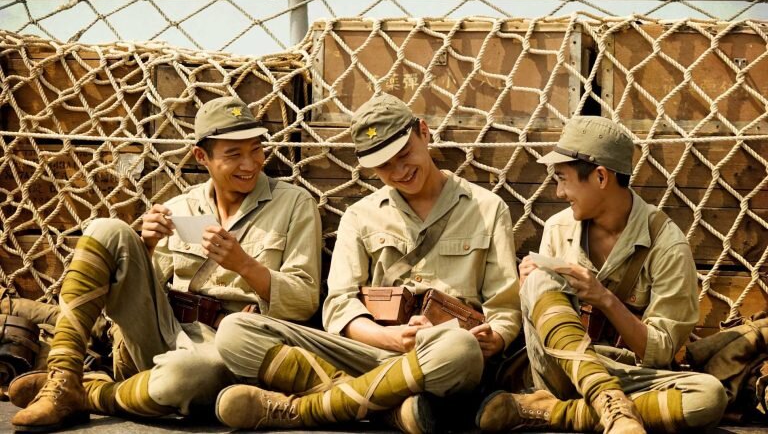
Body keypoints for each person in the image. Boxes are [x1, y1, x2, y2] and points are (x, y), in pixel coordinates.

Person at [210, 93, 522, 433]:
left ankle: (304, 410)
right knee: (235, 332)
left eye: (404, 155)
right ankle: (389, 409)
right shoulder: (360, 216)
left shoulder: (487, 208)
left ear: (424, 132)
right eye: (384, 166)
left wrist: (494, 339)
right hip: (369, 354)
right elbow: (339, 306)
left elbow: (504, 309)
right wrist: (391, 338)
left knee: (459, 350)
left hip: (442, 356)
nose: (400, 171)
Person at [9, 96, 322, 432]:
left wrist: (245, 265)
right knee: (105, 229)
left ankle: (88, 394)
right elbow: (140, 299)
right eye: (234, 154)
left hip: (229, 352)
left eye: (256, 149)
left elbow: (305, 301)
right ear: (202, 157)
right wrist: (146, 246)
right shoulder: (181, 206)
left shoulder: (294, 204)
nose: (250, 164)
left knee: (186, 374)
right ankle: (62, 377)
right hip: (164, 334)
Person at [476, 116, 728, 433]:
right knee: (539, 279)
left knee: (709, 396)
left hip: (625, 373)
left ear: (600, 176)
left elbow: (660, 351)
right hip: (560, 369)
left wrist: (604, 298)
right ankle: (607, 402)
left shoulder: (667, 245)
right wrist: (531, 292)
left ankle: (551, 411)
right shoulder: (557, 228)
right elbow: (538, 330)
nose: (559, 192)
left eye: (563, 179)